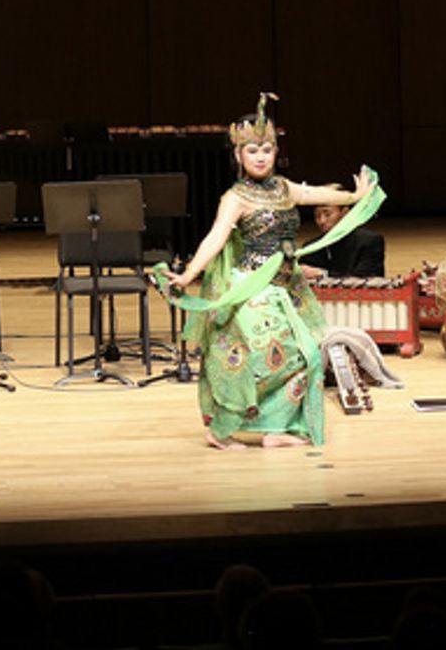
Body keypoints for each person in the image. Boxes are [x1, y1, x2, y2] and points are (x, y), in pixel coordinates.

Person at [162, 93, 379, 450]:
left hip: (287, 287)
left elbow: (316, 193)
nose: (261, 157)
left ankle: (276, 428)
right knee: (261, 359)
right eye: (253, 151)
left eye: (267, 149)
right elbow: (216, 237)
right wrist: (188, 275)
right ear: (238, 155)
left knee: (304, 355)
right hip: (252, 288)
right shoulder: (236, 198)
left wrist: (355, 197)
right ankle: (220, 430)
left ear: (276, 152)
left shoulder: (284, 188)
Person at [299, 191, 385, 279]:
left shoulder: (369, 241)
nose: (322, 221)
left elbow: (365, 278)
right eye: (317, 216)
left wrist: (324, 274)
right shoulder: (311, 247)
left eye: (327, 214)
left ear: (345, 213)